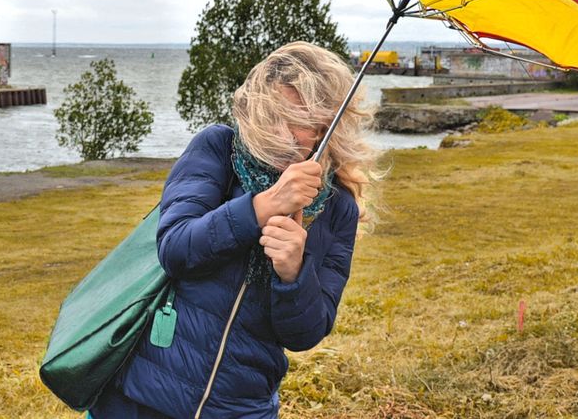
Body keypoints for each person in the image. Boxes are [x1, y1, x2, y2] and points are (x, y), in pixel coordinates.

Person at [89, 41, 376, 418]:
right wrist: (263, 206)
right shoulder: (218, 149)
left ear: (326, 124)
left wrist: (293, 272)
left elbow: (305, 334)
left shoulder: (337, 207)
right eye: (273, 116)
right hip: (141, 397)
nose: (285, 136)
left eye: (301, 121)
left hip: (241, 408)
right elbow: (176, 249)